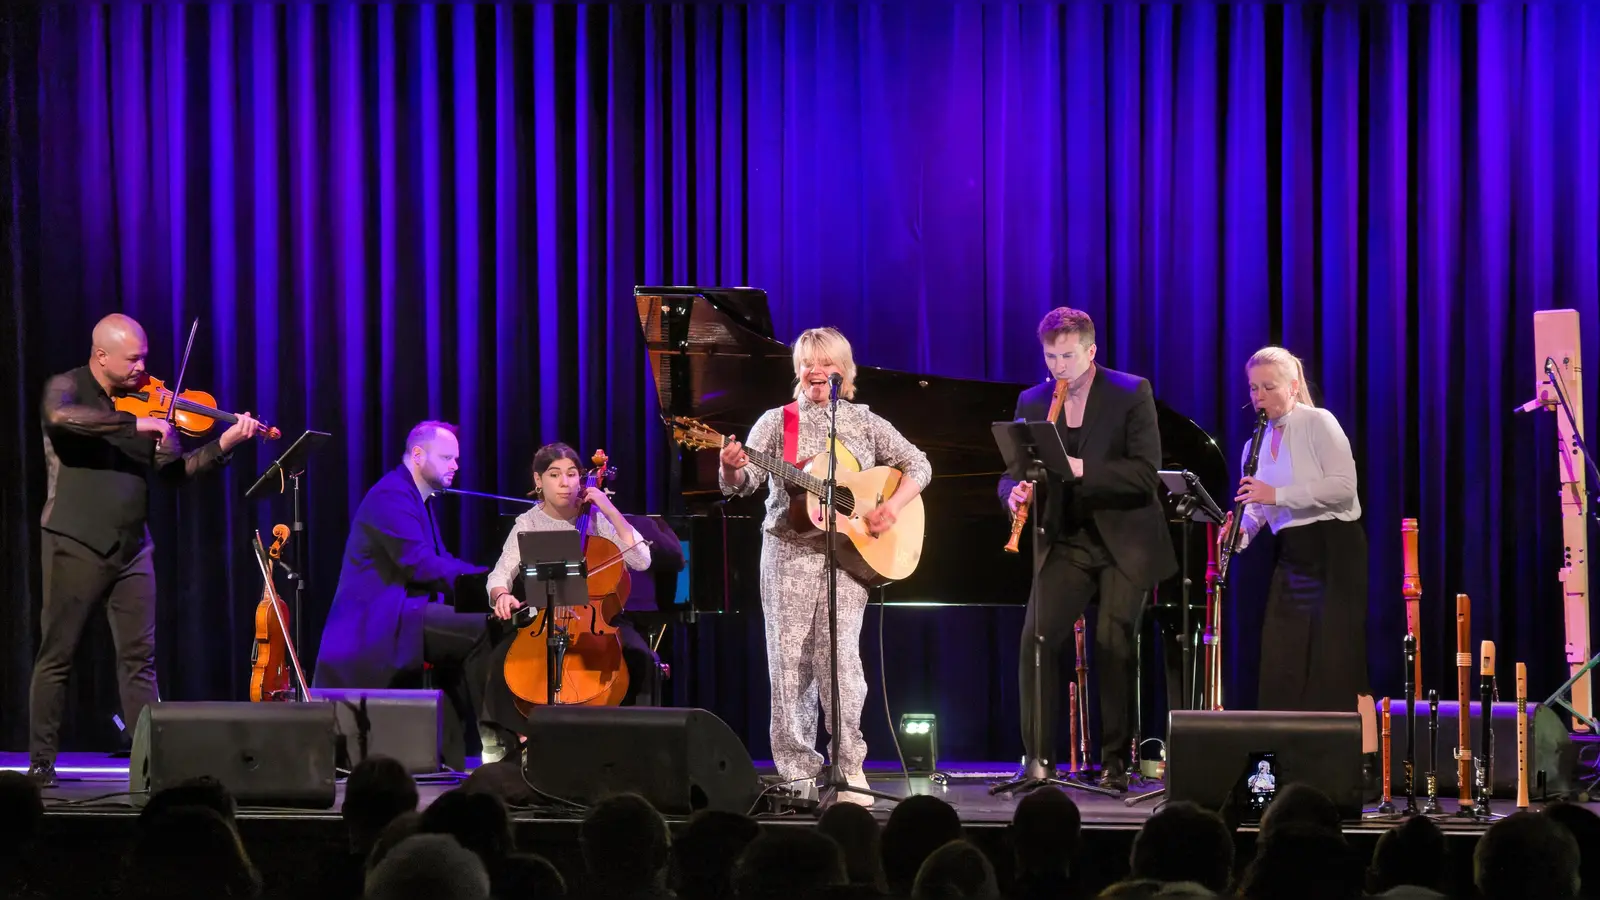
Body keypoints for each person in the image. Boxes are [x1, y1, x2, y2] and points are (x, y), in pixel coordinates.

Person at [28, 313, 263, 787]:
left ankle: (151, 765)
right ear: (101, 357)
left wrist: (223, 442)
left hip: (134, 547)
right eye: (132, 358)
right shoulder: (67, 388)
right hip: (74, 540)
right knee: (58, 653)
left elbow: (174, 473)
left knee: (140, 659)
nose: (142, 367)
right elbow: (60, 419)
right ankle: (40, 764)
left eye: (145, 357)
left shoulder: (156, 407)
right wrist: (133, 424)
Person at [718, 326, 931, 806]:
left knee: (841, 664)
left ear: (844, 370)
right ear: (797, 370)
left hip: (848, 558)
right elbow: (742, 483)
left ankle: (849, 769)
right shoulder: (778, 421)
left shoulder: (864, 420)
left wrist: (892, 507)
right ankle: (798, 774)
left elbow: (919, 466)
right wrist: (731, 465)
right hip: (788, 553)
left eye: (826, 362)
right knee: (789, 665)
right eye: (808, 363)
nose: (816, 371)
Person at [999, 307, 1176, 792]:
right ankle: (1038, 761)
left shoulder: (1129, 392)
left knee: (1112, 643)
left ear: (1091, 351)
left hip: (1125, 540)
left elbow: (1145, 475)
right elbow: (1015, 471)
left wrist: (1082, 470)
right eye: (1050, 356)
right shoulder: (1033, 400)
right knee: (1036, 639)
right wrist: (1011, 492)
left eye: (1068, 355)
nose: (1058, 366)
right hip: (1069, 540)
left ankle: (1115, 762)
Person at [312, 421, 491, 762]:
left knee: (466, 634)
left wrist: (488, 577)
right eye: (447, 457)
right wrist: (486, 581)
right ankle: (495, 742)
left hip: (403, 613)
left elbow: (438, 559)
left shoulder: (414, 496)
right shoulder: (391, 494)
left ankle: (452, 756)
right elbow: (420, 564)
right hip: (379, 621)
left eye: (456, 458)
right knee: (480, 629)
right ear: (418, 455)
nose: (456, 465)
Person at [1220, 346, 1369, 714]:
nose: (1259, 397)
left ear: (1293, 385)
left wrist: (1278, 494)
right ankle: (1284, 758)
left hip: (1333, 546)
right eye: (1253, 388)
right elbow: (1258, 510)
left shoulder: (1318, 421)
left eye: (1268, 387)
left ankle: (1340, 759)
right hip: (1292, 551)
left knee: (1330, 654)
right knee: (1282, 654)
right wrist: (1238, 533)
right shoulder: (1250, 446)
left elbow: (1344, 486)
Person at [482, 442, 655, 735]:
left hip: (597, 619)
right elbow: (499, 574)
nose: (565, 482)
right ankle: (517, 744)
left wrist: (609, 508)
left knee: (642, 659)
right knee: (499, 662)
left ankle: (635, 744)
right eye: (554, 474)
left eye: (572, 474)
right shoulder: (529, 521)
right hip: (545, 619)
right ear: (538, 481)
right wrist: (501, 594)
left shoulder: (599, 518)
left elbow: (641, 560)